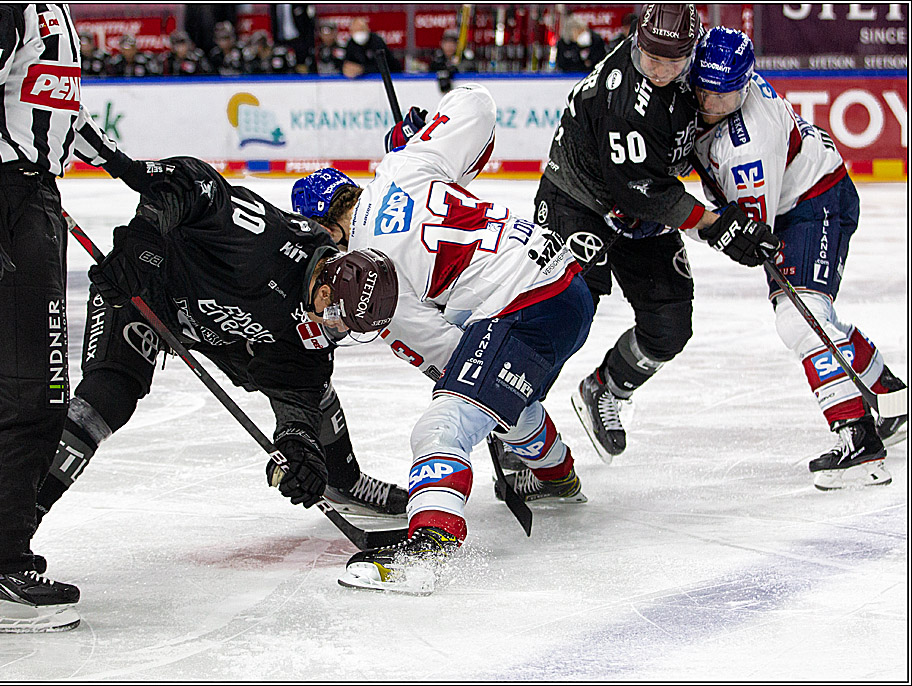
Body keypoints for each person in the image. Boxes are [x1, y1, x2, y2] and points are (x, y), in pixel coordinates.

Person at [294, 84, 596, 594]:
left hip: (526, 302)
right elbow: (478, 106)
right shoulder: (401, 167)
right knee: (494, 391)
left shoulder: (367, 278)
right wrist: (423, 133)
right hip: (565, 281)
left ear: (325, 233)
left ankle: (430, 546)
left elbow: (448, 356)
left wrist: (470, 369)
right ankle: (555, 473)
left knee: (444, 421)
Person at [32, 157, 409, 546]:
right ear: (326, 291)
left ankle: (342, 480)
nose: (335, 331)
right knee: (105, 400)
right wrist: (143, 241)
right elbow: (192, 180)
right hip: (142, 289)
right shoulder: (266, 240)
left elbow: (296, 388)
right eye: (338, 320)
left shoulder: (316, 318)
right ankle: (15, 521)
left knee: (316, 384)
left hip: (220, 327)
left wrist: (299, 446)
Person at [0, 4, 152, 633]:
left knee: (14, 385)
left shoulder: (53, 13)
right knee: (31, 392)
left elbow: (50, 115)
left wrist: (122, 165)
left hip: (24, 194)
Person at [534, 3, 779, 464]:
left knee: (669, 325)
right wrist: (714, 225)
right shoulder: (628, 99)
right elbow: (641, 193)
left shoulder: (698, 68)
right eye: (652, 59)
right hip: (580, 202)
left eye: (674, 61)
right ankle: (512, 414)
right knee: (564, 312)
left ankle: (603, 388)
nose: (662, 70)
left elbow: (683, 152)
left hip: (643, 198)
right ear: (636, 41)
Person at [689, 27, 907, 490]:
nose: (709, 104)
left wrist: (686, 219)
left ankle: (860, 441)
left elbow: (749, 234)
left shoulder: (748, 148)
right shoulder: (720, 80)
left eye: (722, 97)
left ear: (743, 87)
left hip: (812, 203)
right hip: (806, 187)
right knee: (816, 318)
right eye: (702, 90)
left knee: (800, 318)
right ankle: (890, 396)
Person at [428, 28, 473, 93]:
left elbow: (470, 67)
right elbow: (432, 69)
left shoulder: (464, 56)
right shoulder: (437, 58)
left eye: (452, 43)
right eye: (446, 43)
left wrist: (458, 66)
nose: (449, 46)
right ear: (442, 44)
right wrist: (448, 68)